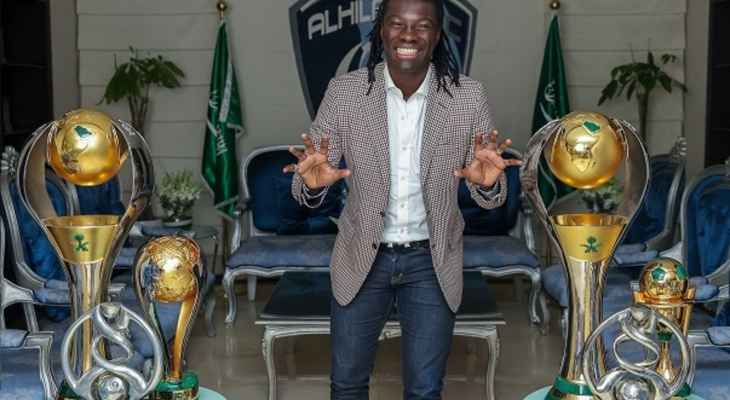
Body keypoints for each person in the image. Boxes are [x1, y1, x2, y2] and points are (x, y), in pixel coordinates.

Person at [284, 0, 520, 398]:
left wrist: (486, 184)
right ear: (381, 30)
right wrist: (313, 184)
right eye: (397, 23)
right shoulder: (345, 92)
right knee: (346, 384)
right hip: (362, 255)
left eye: (422, 25)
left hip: (432, 260)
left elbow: (489, 196)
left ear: (437, 35)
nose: (409, 34)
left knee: (425, 389)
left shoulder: (467, 96)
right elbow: (309, 179)